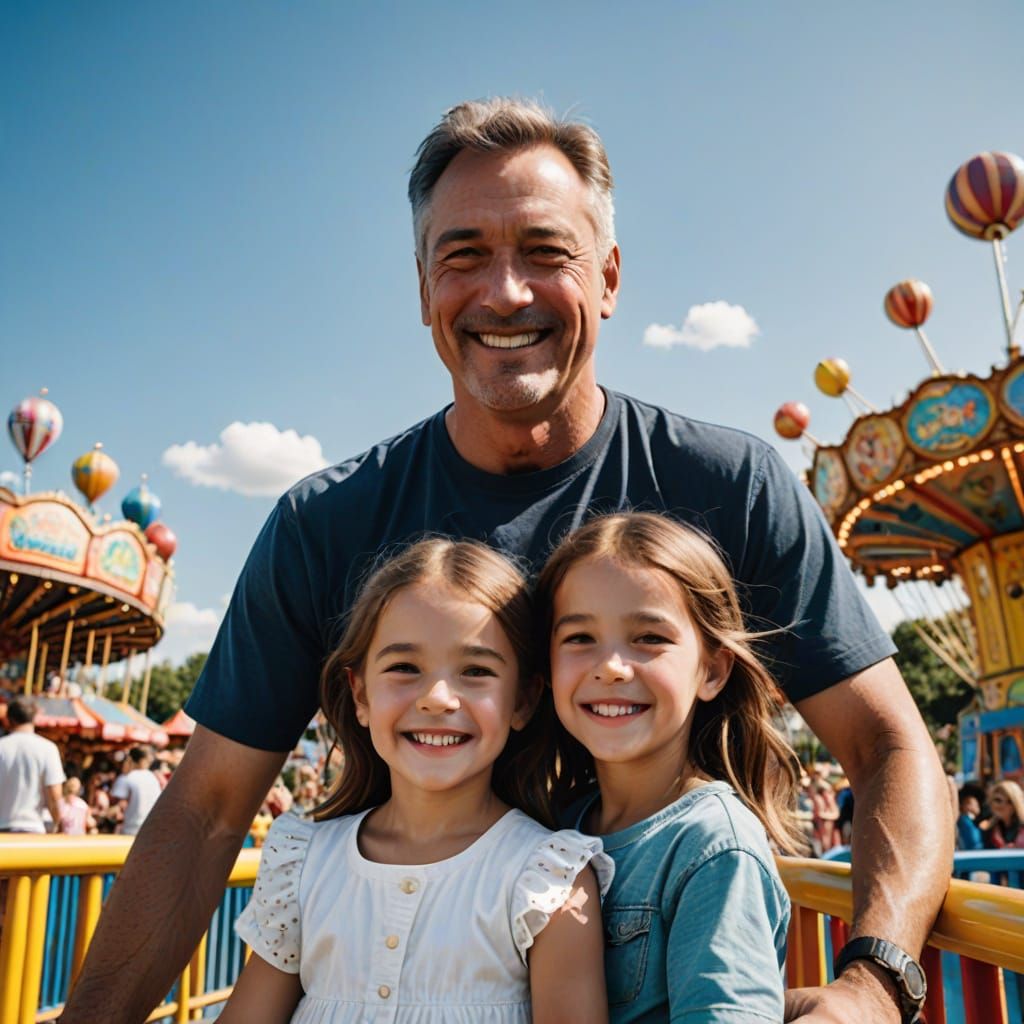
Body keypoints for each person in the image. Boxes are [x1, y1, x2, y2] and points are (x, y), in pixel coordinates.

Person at [62, 98, 950, 1024]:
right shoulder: (325, 523)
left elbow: (888, 745)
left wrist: (874, 984)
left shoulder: (729, 487)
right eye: (464, 257)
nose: (506, 292)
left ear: (608, 277)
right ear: (423, 291)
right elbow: (206, 809)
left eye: (544, 250)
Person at [219, 538, 610, 1023]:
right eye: (404, 668)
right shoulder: (303, 865)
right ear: (360, 695)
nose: (437, 698)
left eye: (475, 670)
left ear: (524, 700)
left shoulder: (548, 881)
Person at [537, 512, 799, 1020]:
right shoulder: (558, 821)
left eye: (649, 638)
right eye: (580, 638)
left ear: (712, 670)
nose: (611, 666)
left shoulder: (714, 848)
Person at [0, 695, 66, 833]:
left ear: (8, 719)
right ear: (34, 718)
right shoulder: (48, 749)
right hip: (32, 830)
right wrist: (58, 824)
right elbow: (55, 795)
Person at [110, 746, 162, 836]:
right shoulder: (153, 778)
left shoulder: (126, 778)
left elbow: (115, 805)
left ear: (130, 759)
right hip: (152, 830)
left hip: (131, 830)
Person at [983, 780, 1024, 850]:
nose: (993, 804)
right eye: (992, 800)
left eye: (998, 800)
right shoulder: (990, 829)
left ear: (1013, 803)